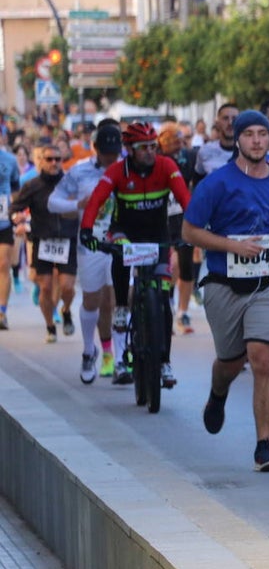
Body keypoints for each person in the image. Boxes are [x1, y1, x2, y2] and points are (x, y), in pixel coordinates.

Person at [181, 110, 269, 472]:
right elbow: (189, 232)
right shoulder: (217, 183)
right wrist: (232, 246)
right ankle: (218, 392)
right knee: (230, 360)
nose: (256, 140)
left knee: (263, 357)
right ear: (237, 139)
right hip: (223, 285)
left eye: (261, 134)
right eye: (248, 134)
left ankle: (264, 446)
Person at [79, 122, 190, 387]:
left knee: (163, 299)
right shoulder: (117, 171)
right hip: (124, 231)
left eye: (153, 147)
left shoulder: (166, 167)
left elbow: (186, 200)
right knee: (118, 253)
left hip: (157, 235)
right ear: (129, 150)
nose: (150, 152)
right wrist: (86, 230)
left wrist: (194, 230)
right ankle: (120, 306)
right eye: (143, 148)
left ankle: (164, 362)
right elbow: (96, 199)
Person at [48, 123, 123, 382]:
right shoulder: (79, 173)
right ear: (96, 149)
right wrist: (76, 203)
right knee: (93, 300)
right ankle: (88, 351)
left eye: (115, 153)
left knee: (119, 299)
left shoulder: (127, 167)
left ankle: (120, 356)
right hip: (90, 246)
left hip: (121, 244)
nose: (111, 159)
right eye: (106, 153)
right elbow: (52, 202)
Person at [13, 145, 74, 344]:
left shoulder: (70, 184)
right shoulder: (32, 185)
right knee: (46, 287)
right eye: (49, 159)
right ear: (42, 161)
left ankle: (65, 310)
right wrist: (17, 217)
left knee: (67, 287)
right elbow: (15, 207)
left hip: (67, 239)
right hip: (42, 240)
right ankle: (50, 326)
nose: (54, 163)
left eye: (57, 159)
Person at [158, 122, 200, 336]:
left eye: (180, 139)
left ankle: (182, 311)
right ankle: (167, 306)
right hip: (161, 220)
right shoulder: (154, 158)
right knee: (169, 266)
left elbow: (199, 178)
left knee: (185, 266)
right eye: (171, 139)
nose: (176, 144)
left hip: (183, 218)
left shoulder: (189, 157)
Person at [0, 142, 18, 329]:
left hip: (3, 221)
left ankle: (2, 312)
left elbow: (15, 189)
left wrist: (17, 212)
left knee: (3, 264)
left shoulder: (10, 160)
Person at [194, 103, 239, 177]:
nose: (230, 123)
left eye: (234, 118)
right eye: (225, 118)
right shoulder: (205, 151)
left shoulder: (250, 151)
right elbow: (198, 180)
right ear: (217, 123)